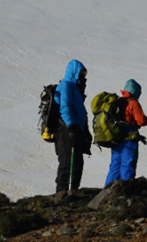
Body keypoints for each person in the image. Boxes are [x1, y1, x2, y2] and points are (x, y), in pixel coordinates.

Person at [104, 79, 147, 186]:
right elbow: (141, 120)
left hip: (116, 138)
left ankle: (107, 191)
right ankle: (125, 190)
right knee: (127, 165)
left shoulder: (118, 101)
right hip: (129, 139)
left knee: (115, 166)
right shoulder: (133, 103)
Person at [53, 59, 92, 200]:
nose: (83, 76)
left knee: (76, 162)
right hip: (66, 130)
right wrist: (71, 125)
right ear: (74, 72)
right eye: (81, 73)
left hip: (74, 130)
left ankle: (72, 192)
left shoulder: (74, 88)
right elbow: (65, 107)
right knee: (66, 162)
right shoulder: (66, 86)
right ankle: (62, 193)